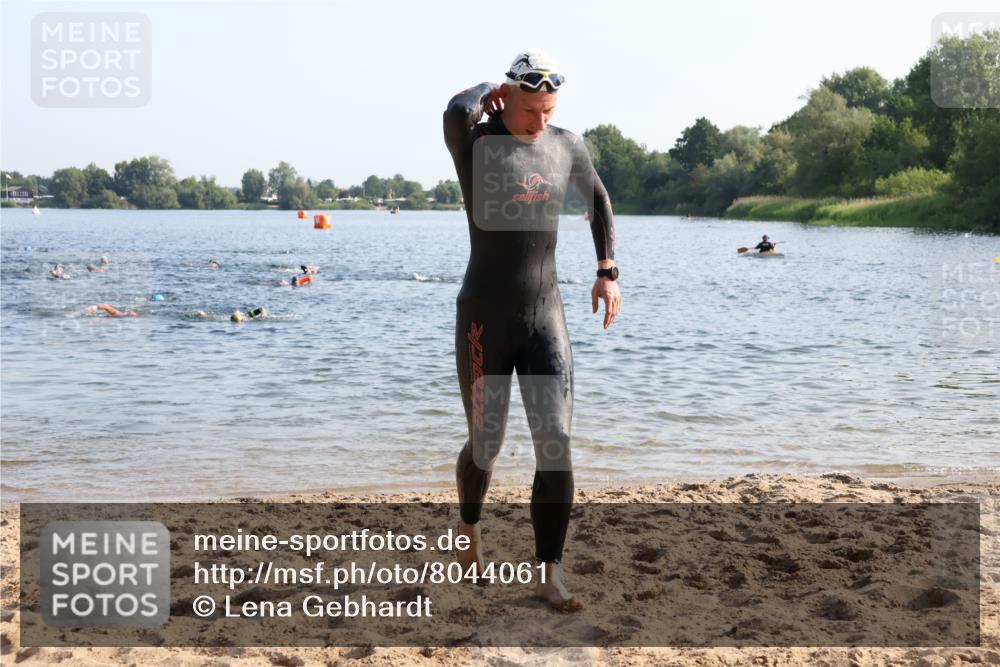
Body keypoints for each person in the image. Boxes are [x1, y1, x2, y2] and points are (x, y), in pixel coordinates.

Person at [443, 49, 620, 613]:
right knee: (486, 443)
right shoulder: (476, 141)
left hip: (546, 315)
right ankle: (469, 531)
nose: (540, 121)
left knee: (556, 444)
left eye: (549, 111)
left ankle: (549, 574)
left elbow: (598, 199)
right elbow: (455, 109)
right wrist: (483, 89)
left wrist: (607, 271)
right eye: (530, 110)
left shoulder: (565, 145)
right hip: (484, 317)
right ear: (508, 96)